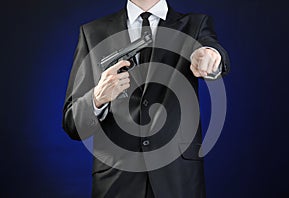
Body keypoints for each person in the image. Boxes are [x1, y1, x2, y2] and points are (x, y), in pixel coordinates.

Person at [62, 0, 230, 197]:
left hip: (178, 179)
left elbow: (212, 50)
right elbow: (72, 123)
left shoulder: (195, 25)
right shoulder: (92, 32)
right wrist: (98, 97)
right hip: (116, 182)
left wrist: (211, 56)